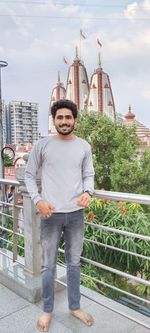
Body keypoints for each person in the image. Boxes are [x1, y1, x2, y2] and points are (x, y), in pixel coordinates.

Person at [25, 99, 95, 332]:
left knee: (74, 264)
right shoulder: (42, 145)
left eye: (68, 117)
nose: (64, 121)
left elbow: (88, 175)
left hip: (76, 215)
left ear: (74, 119)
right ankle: (47, 310)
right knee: (48, 266)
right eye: (60, 117)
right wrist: (39, 200)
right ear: (54, 120)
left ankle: (74, 307)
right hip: (50, 215)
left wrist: (88, 191)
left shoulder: (84, 146)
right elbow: (28, 175)